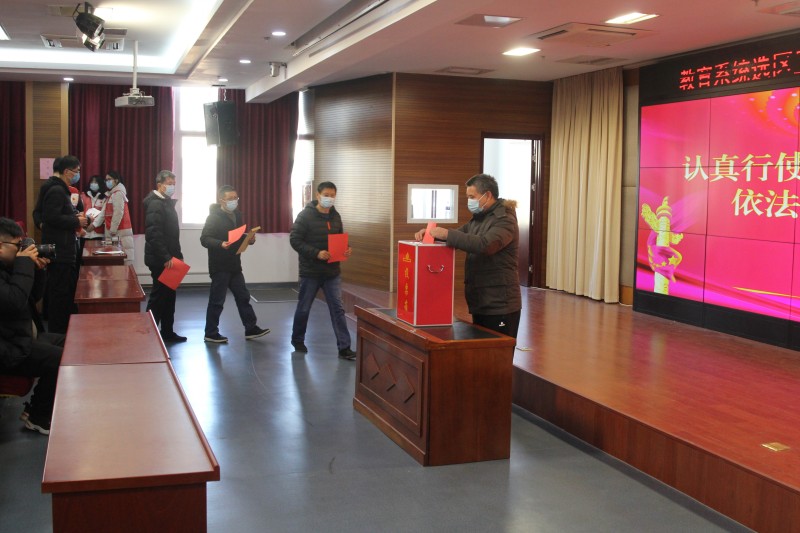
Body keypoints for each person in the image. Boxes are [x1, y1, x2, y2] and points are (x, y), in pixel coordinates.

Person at [415, 173, 521, 338]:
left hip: (500, 303)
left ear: (487, 195)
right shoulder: (479, 219)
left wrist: (447, 234)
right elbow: (459, 235)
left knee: (497, 350)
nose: (469, 201)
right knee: (479, 348)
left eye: (472, 197)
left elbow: (485, 245)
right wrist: (431, 234)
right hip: (481, 300)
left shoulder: (504, 219)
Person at [0, 218, 64, 435]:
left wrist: (38, 271)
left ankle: (34, 408)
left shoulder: (8, 267)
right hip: (8, 348)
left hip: (17, 336)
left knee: (69, 344)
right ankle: (38, 417)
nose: (23, 251)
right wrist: (24, 265)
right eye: (18, 246)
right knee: (61, 360)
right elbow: (14, 301)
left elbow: (31, 298)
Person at [289, 181, 356, 360]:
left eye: (333, 195)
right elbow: (295, 240)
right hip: (310, 271)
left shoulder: (336, 216)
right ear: (318, 195)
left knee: (338, 309)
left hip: (332, 272)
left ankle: (344, 347)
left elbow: (340, 238)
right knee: (304, 308)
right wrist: (316, 253)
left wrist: (346, 248)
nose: (329, 198)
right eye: (326, 195)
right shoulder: (305, 216)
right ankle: (297, 340)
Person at [199, 185, 270, 343]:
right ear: (221, 200)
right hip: (219, 265)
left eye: (235, 198)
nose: (234, 201)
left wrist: (248, 239)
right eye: (230, 198)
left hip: (234, 264)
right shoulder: (213, 217)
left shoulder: (237, 215)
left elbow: (237, 236)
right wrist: (220, 244)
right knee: (217, 300)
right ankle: (210, 332)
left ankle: (251, 328)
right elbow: (204, 239)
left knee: (243, 296)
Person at [37, 155, 88, 334]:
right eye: (77, 171)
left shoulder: (57, 189)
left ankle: (63, 331)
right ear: (67, 171)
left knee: (63, 293)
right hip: (61, 250)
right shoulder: (57, 190)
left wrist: (74, 217)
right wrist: (76, 221)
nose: (78, 175)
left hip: (63, 248)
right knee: (60, 295)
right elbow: (51, 218)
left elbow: (53, 216)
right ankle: (58, 334)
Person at [143, 170, 186, 343]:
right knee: (159, 297)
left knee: (169, 296)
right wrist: (166, 257)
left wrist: (178, 256)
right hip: (161, 260)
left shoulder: (166, 202)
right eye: (169, 183)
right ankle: (148, 334)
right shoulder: (156, 204)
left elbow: (172, 235)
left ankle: (167, 332)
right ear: (159, 185)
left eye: (173, 184)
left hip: (170, 258)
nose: (172, 187)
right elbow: (154, 234)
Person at [104, 171, 134, 265]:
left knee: (121, 262)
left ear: (116, 180)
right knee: (115, 261)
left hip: (119, 231)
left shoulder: (118, 193)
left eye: (109, 179)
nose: (107, 182)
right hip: (115, 231)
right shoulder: (112, 193)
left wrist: (112, 230)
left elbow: (118, 212)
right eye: (106, 180)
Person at [81, 175, 106, 241]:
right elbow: (80, 212)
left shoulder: (104, 198)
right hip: (84, 232)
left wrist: (93, 225)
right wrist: (84, 225)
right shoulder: (83, 195)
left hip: (98, 233)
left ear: (100, 184)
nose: (93, 184)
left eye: (95, 182)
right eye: (92, 182)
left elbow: (103, 214)